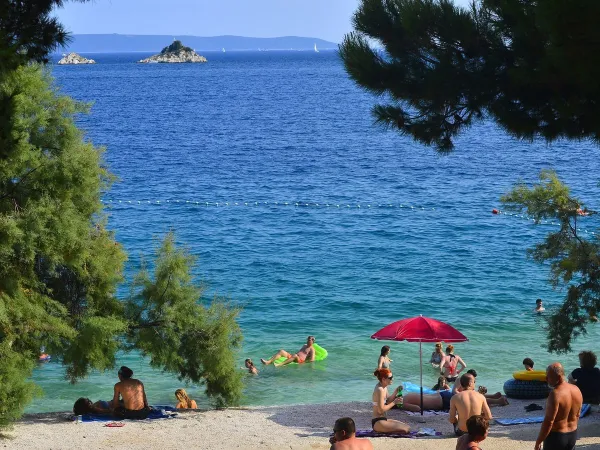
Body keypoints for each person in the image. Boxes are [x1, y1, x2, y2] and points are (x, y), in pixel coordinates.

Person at [535, 362, 583, 450]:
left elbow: (549, 421)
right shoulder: (576, 390)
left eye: (548, 376)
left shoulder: (555, 394)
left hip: (556, 437)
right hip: (572, 435)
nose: (546, 379)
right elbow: (578, 415)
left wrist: (538, 441)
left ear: (559, 376)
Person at [371, 368, 410, 434]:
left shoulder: (384, 387)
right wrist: (395, 402)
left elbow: (388, 401)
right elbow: (381, 410)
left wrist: (396, 391)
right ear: (383, 379)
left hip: (383, 419)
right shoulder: (379, 389)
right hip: (377, 421)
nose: (393, 379)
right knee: (405, 430)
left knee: (408, 427)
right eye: (390, 378)